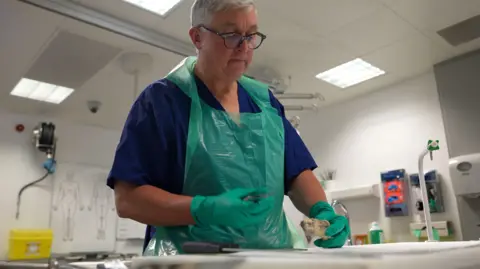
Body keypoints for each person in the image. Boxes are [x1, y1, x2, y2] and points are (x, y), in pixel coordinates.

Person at [107, 0, 349, 254]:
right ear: (198, 37)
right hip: (190, 261)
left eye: (251, 35)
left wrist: (322, 211)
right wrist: (203, 209)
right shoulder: (162, 102)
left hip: (270, 259)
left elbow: (296, 172)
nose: (245, 47)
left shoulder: (265, 104)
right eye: (231, 35)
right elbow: (128, 200)